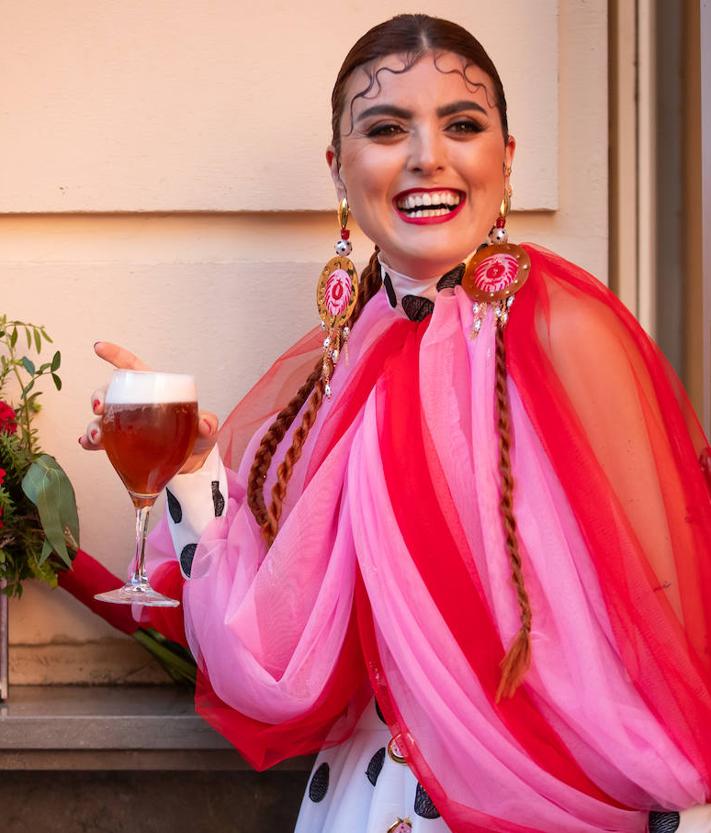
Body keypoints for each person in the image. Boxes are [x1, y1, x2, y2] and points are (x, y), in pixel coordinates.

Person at [81, 14, 711, 833]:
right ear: (338, 169)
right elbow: (271, 657)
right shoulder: (340, 363)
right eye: (385, 129)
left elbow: (658, 601)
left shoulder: (566, 332)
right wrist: (191, 468)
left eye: (462, 124)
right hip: (371, 801)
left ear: (506, 158)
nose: (427, 156)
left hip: (554, 803)